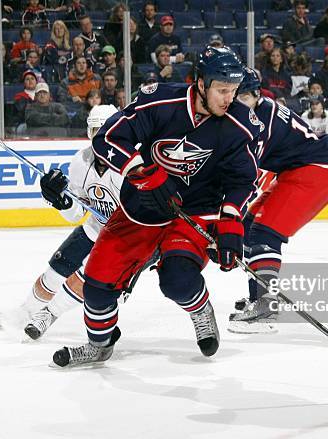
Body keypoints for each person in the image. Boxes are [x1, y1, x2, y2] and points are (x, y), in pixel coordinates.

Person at [51, 46, 259, 367]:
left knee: (177, 278)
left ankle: (200, 309)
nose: (228, 98)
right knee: (97, 284)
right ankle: (100, 344)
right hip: (141, 209)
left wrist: (231, 223)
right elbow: (106, 138)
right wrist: (141, 173)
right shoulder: (160, 101)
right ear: (201, 84)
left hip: (193, 214)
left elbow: (242, 179)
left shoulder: (238, 121)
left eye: (233, 91)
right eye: (222, 90)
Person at [0, 105, 130, 337]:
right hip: (96, 228)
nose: (100, 138)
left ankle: (50, 314)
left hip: (129, 237)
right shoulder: (81, 161)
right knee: (55, 272)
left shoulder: (129, 165)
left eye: (106, 131)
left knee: (90, 276)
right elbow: (78, 213)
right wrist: (61, 201)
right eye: (95, 131)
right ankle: (26, 311)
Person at [228, 68, 328, 333]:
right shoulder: (260, 109)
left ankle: (267, 307)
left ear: (253, 94)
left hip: (316, 172)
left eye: (239, 96)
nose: (233, 102)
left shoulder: (259, 123)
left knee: (264, 233)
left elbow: (247, 176)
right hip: (301, 169)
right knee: (249, 226)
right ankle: (259, 297)